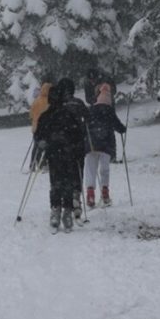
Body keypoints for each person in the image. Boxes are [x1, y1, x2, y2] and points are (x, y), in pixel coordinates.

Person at [34, 83, 86, 232]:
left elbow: (78, 135)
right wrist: (42, 142)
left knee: (59, 182)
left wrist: (76, 148)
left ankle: (63, 211)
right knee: (62, 183)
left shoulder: (66, 115)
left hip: (64, 154)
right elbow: (39, 134)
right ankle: (60, 211)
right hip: (57, 154)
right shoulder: (49, 116)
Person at [84, 83, 127, 207]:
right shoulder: (109, 110)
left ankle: (90, 194)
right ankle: (105, 194)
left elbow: (85, 125)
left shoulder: (91, 109)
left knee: (90, 170)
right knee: (104, 170)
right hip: (106, 145)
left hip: (91, 144)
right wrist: (123, 129)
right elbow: (118, 126)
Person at [54, 77, 91, 222]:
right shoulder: (79, 102)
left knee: (62, 174)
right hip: (77, 143)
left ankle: (64, 202)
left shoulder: (58, 104)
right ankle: (76, 196)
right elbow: (88, 118)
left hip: (61, 146)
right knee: (77, 170)